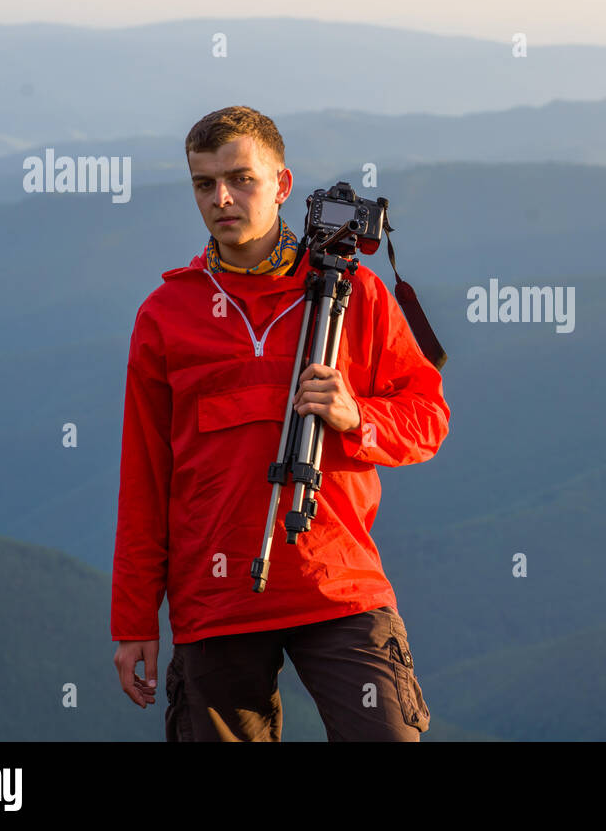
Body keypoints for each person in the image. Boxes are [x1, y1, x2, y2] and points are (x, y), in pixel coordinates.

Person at [110, 105, 450, 741]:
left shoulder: (355, 293)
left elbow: (428, 417)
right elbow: (144, 479)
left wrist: (359, 417)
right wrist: (133, 621)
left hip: (339, 584)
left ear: (283, 184)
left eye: (242, 179)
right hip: (215, 598)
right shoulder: (165, 315)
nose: (222, 199)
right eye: (204, 183)